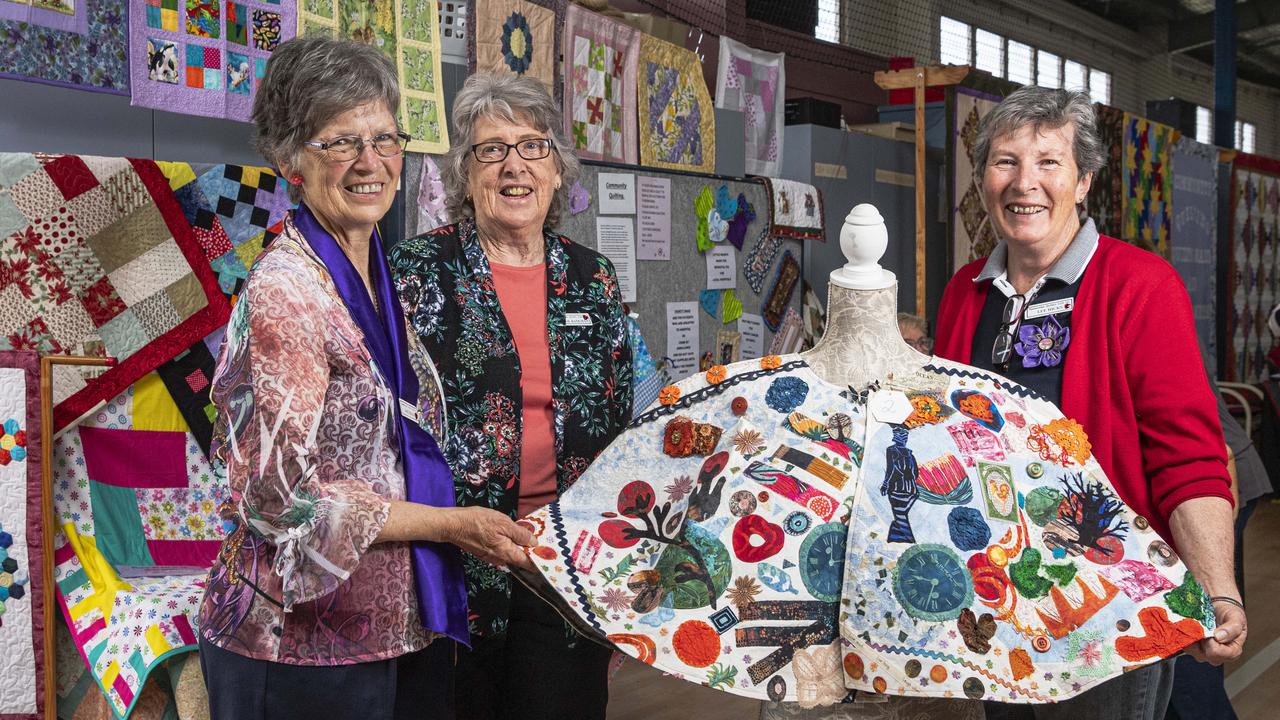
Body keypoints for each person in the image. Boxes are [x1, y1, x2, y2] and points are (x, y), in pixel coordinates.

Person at [196, 37, 534, 720]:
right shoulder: (287, 296)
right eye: (341, 143)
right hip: (298, 645)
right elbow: (277, 504)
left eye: (385, 139)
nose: (370, 163)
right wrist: (448, 525)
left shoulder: (374, 274)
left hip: (396, 631)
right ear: (290, 160)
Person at [934, 85, 1246, 720]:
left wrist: (1219, 588)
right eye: (1005, 161)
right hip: (995, 604)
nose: (1026, 183)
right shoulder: (963, 293)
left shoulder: (1141, 287)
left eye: (1049, 162)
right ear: (985, 177)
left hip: (1107, 607)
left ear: (1084, 181)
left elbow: (1186, 457)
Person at [389, 73, 633, 720]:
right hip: (446, 562)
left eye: (533, 147)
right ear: (466, 177)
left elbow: (619, 420)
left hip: (562, 564)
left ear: (558, 172)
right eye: (492, 150)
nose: (514, 166)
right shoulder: (415, 273)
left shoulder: (593, 279)